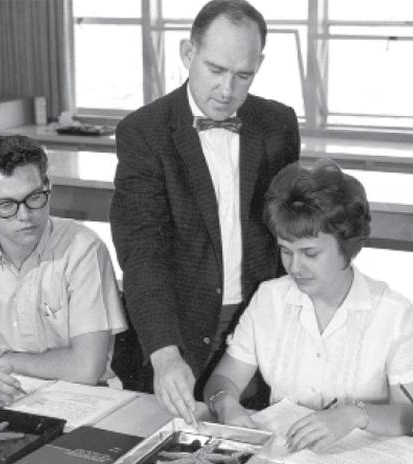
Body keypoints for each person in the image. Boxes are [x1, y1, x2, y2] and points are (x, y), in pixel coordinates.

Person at [110, 0, 300, 422]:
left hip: (256, 326)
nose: (228, 90)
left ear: (259, 65)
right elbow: (142, 252)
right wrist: (163, 355)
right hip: (175, 329)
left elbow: (288, 234)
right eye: (215, 70)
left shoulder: (278, 124)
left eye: (243, 75)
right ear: (187, 53)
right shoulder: (143, 132)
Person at [204, 158, 413, 452]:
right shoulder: (269, 299)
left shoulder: (393, 313)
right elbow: (224, 379)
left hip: (361, 459)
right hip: (286, 457)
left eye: (309, 253)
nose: (294, 267)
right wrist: (225, 404)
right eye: (286, 251)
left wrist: (354, 415)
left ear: (347, 246)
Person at [0, 135, 127, 406]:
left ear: (48, 187)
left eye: (34, 198)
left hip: (84, 397)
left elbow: (85, 370)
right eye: (6, 205)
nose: (25, 216)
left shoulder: (84, 250)